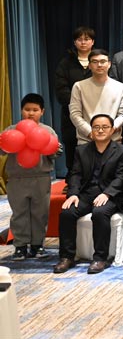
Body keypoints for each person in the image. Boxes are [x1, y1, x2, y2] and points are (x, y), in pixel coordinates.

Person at [53, 114, 123, 274]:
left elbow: (121, 177)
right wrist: (73, 194)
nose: (100, 130)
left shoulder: (122, 151)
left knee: (100, 213)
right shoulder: (81, 150)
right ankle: (67, 257)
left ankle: (100, 258)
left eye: (105, 127)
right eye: (96, 127)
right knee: (67, 213)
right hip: (86, 194)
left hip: (110, 195)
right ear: (91, 130)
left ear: (112, 130)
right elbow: (75, 175)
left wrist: (107, 194)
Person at [1, 93, 62, 260]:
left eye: (35, 110)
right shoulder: (12, 130)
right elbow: (2, 150)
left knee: (40, 213)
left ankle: (37, 245)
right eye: (27, 109)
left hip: (40, 177)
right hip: (17, 179)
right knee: (19, 213)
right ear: (21, 110)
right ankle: (20, 246)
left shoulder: (47, 131)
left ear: (42, 111)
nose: (31, 113)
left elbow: (54, 152)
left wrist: (56, 150)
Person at [54, 26, 94, 175]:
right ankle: (72, 179)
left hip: (96, 113)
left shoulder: (99, 62)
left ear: (92, 42)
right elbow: (61, 90)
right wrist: (78, 105)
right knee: (72, 148)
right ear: (74, 42)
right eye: (79, 39)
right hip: (71, 114)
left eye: (87, 39)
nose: (83, 42)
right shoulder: (65, 63)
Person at [69, 48, 123, 145]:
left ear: (109, 64)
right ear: (89, 65)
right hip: (86, 141)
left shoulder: (120, 87)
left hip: (113, 141)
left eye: (103, 61)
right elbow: (75, 114)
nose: (99, 65)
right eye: (95, 62)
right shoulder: (79, 86)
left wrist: (110, 130)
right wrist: (90, 132)